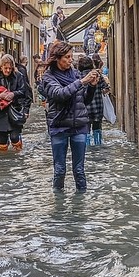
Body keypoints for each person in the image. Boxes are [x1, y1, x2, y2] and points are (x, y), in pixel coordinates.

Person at [37, 42, 100, 192]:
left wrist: (91, 87)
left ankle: (81, 209)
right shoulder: (48, 77)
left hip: (79, 126)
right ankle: (59, 208)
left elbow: (84, 101)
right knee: (59, 170)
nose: (71, 60)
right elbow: (59, 94)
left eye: (71, 57)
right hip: (59, 127)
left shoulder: (75, 74)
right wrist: (82, 81)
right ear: (57, 59)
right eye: (67, 57)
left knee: (79, 170)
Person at [0, 54, 30, 151]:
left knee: (15, 137)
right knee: (2, 140)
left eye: (10, 68)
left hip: (15, 110)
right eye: (6, 68)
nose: (8, 70)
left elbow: (24, 92)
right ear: (1, 66)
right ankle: (3, 159)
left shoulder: (19, 76)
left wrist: (13, 94)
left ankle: (17, 155)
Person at [87, 54, 112, 146]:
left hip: (85, 108)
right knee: (97, 125)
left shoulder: (79, 76)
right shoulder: (97, 75)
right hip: (97, 106)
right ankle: (98, 144)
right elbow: (107, 88)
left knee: (86, 127)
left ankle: (87, 144)